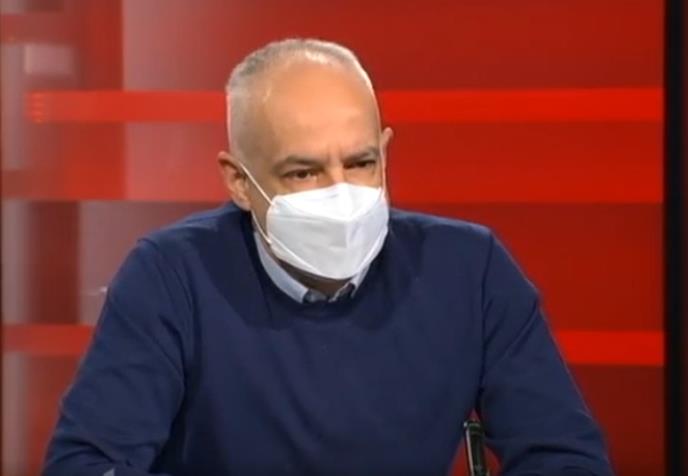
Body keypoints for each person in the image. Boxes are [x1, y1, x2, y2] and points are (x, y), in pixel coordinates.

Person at [42, 38, 614, 476]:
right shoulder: (171, 276)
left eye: (361, 163)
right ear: (239, 182)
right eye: (303, 172)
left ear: (385, 152)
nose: (340, 191)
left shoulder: (471, 270)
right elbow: (87, 464)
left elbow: (566, 459)